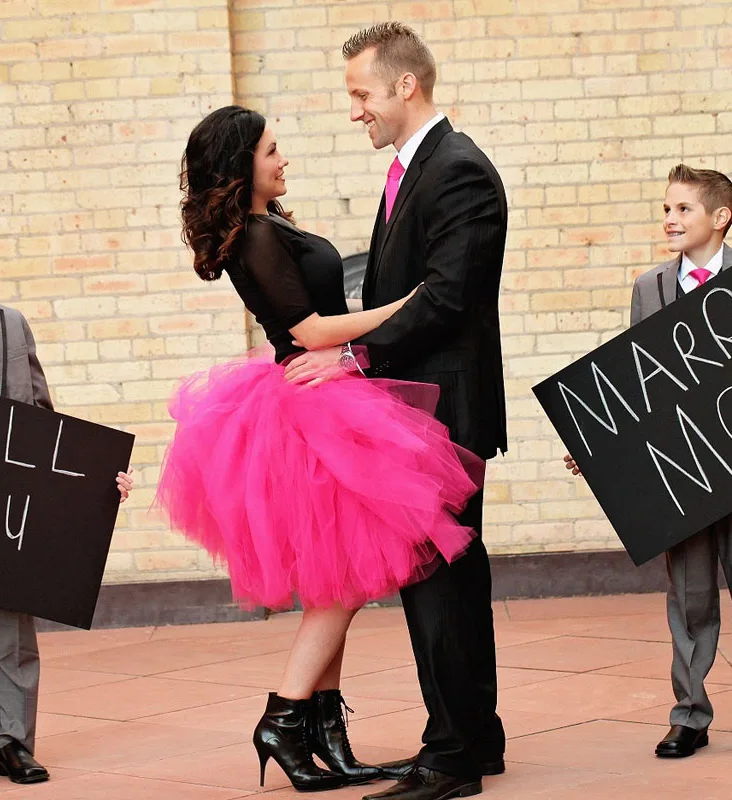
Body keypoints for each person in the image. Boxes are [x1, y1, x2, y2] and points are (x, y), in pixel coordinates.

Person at [155, 105, 486, 794]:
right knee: (344, 582)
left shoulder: (269, 224)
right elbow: (308, 331)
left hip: (325, 404)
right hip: (312, 408)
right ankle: (284, 717)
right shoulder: (252, 237)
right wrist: (407, 307)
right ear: (241, 161)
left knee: (341, 576)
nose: (284, 159)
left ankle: (324, 734)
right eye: (272, 150)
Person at [284, 22, 508, 800]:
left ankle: (449, 761)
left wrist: (348, 358)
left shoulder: (457, 172)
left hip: (442, 414)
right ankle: (477, 737)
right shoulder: (417, 170)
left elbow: (448, 298)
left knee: (436, 585)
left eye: (361, 93)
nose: (356, 110)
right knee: (455, 578)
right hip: (421, 413)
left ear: (405, 85)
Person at [0, 195, 134, 791]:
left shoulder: (11, 325)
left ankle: (14, 743)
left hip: (3, 517)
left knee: (11, 630)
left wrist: (92, 481)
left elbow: (43, 422)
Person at [565, 164, 732, 760]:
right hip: (682, 473)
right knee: (689, 597)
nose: (670, 219)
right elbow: (638, 383)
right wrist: (599, 446)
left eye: (683, 209)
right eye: (666, 208)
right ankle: (689, 714)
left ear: (720, 217)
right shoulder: (650, 287)